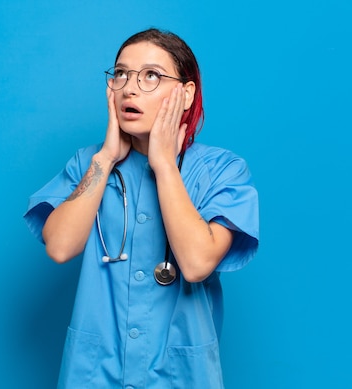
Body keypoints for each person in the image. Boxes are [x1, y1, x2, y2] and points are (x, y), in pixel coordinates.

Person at [24, 28, 259, 389]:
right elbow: (60, 246)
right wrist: (105, 158)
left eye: (151, 75)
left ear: (186, 93)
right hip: (94, 374)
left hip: (180, 375)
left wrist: (164, 165)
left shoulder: (222, 170)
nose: (130, 88)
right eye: (121, 74)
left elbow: (197, 264)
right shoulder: (89, 164)